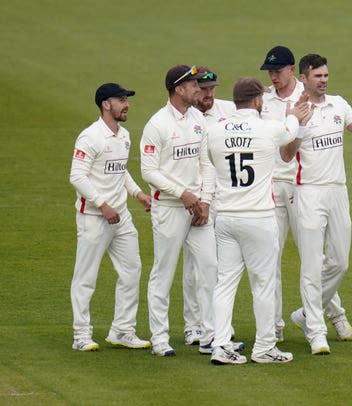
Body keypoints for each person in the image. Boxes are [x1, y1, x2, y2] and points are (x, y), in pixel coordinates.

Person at [207, 77, 312, 364]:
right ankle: (264, 347)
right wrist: (295, 113)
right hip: (258, 217)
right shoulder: (268, 128)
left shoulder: (214, 132)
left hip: (226, 216)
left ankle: (220, 344)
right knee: (263, 283)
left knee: (225, 283)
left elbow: (212, 162)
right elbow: (291, 132)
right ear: (256, 101)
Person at [141, 65, 241, 357]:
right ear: (178, 89)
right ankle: (160, 338)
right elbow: (149, 171)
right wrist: (182, 194)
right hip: (170, 208)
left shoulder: (198, 119)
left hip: (197, 208)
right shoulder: (157, 124)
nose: (199, 88)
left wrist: (205, 201)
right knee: (164, 271)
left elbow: (206, 163)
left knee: (211, 268)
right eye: (193, 84)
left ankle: (212, 335)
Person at [281, 54, 352, 354]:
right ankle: (317, 332)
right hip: (307, 191)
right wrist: (299, 125)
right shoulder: (294, 109)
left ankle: (306, 314)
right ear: (304, 78)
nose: (323, 80)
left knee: (340, 262)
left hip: (337, 191)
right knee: (311, 265)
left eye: (326, 75)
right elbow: (285, 154)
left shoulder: (338, 104)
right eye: (318, 76)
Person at [260, 45, 352, 343]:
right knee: (270, 258)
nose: (273, 76)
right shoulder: (263, 99)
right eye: (270, 72)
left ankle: (332, 313)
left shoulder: (308, 95)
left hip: (303, 186)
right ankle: (274, 328)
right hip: (273, 185)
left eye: (277, 71)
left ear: (292, 71)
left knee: (319, 259)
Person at [69, 83, 151, 352]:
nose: (127, 104)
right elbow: (77, 176)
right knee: (86, 277)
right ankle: (81, 335)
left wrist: (138, 194)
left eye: (126, 99)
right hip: (94, 216)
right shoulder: (90, 137)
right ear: (106, 104)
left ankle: (122, 330)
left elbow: (120, 170)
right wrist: (103, 205)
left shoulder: (123, 135)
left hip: (121, 217)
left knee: (131, 271)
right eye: (121, 99)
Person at [181, 66, 237, 347]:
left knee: (219, 263)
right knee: (195, 265)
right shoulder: (185, 117)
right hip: (194, 199)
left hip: (223, 196)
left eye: (213, 89)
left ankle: (217, 323)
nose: (209, 95)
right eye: (203, 90)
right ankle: (193, 325)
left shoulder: (228, 110)